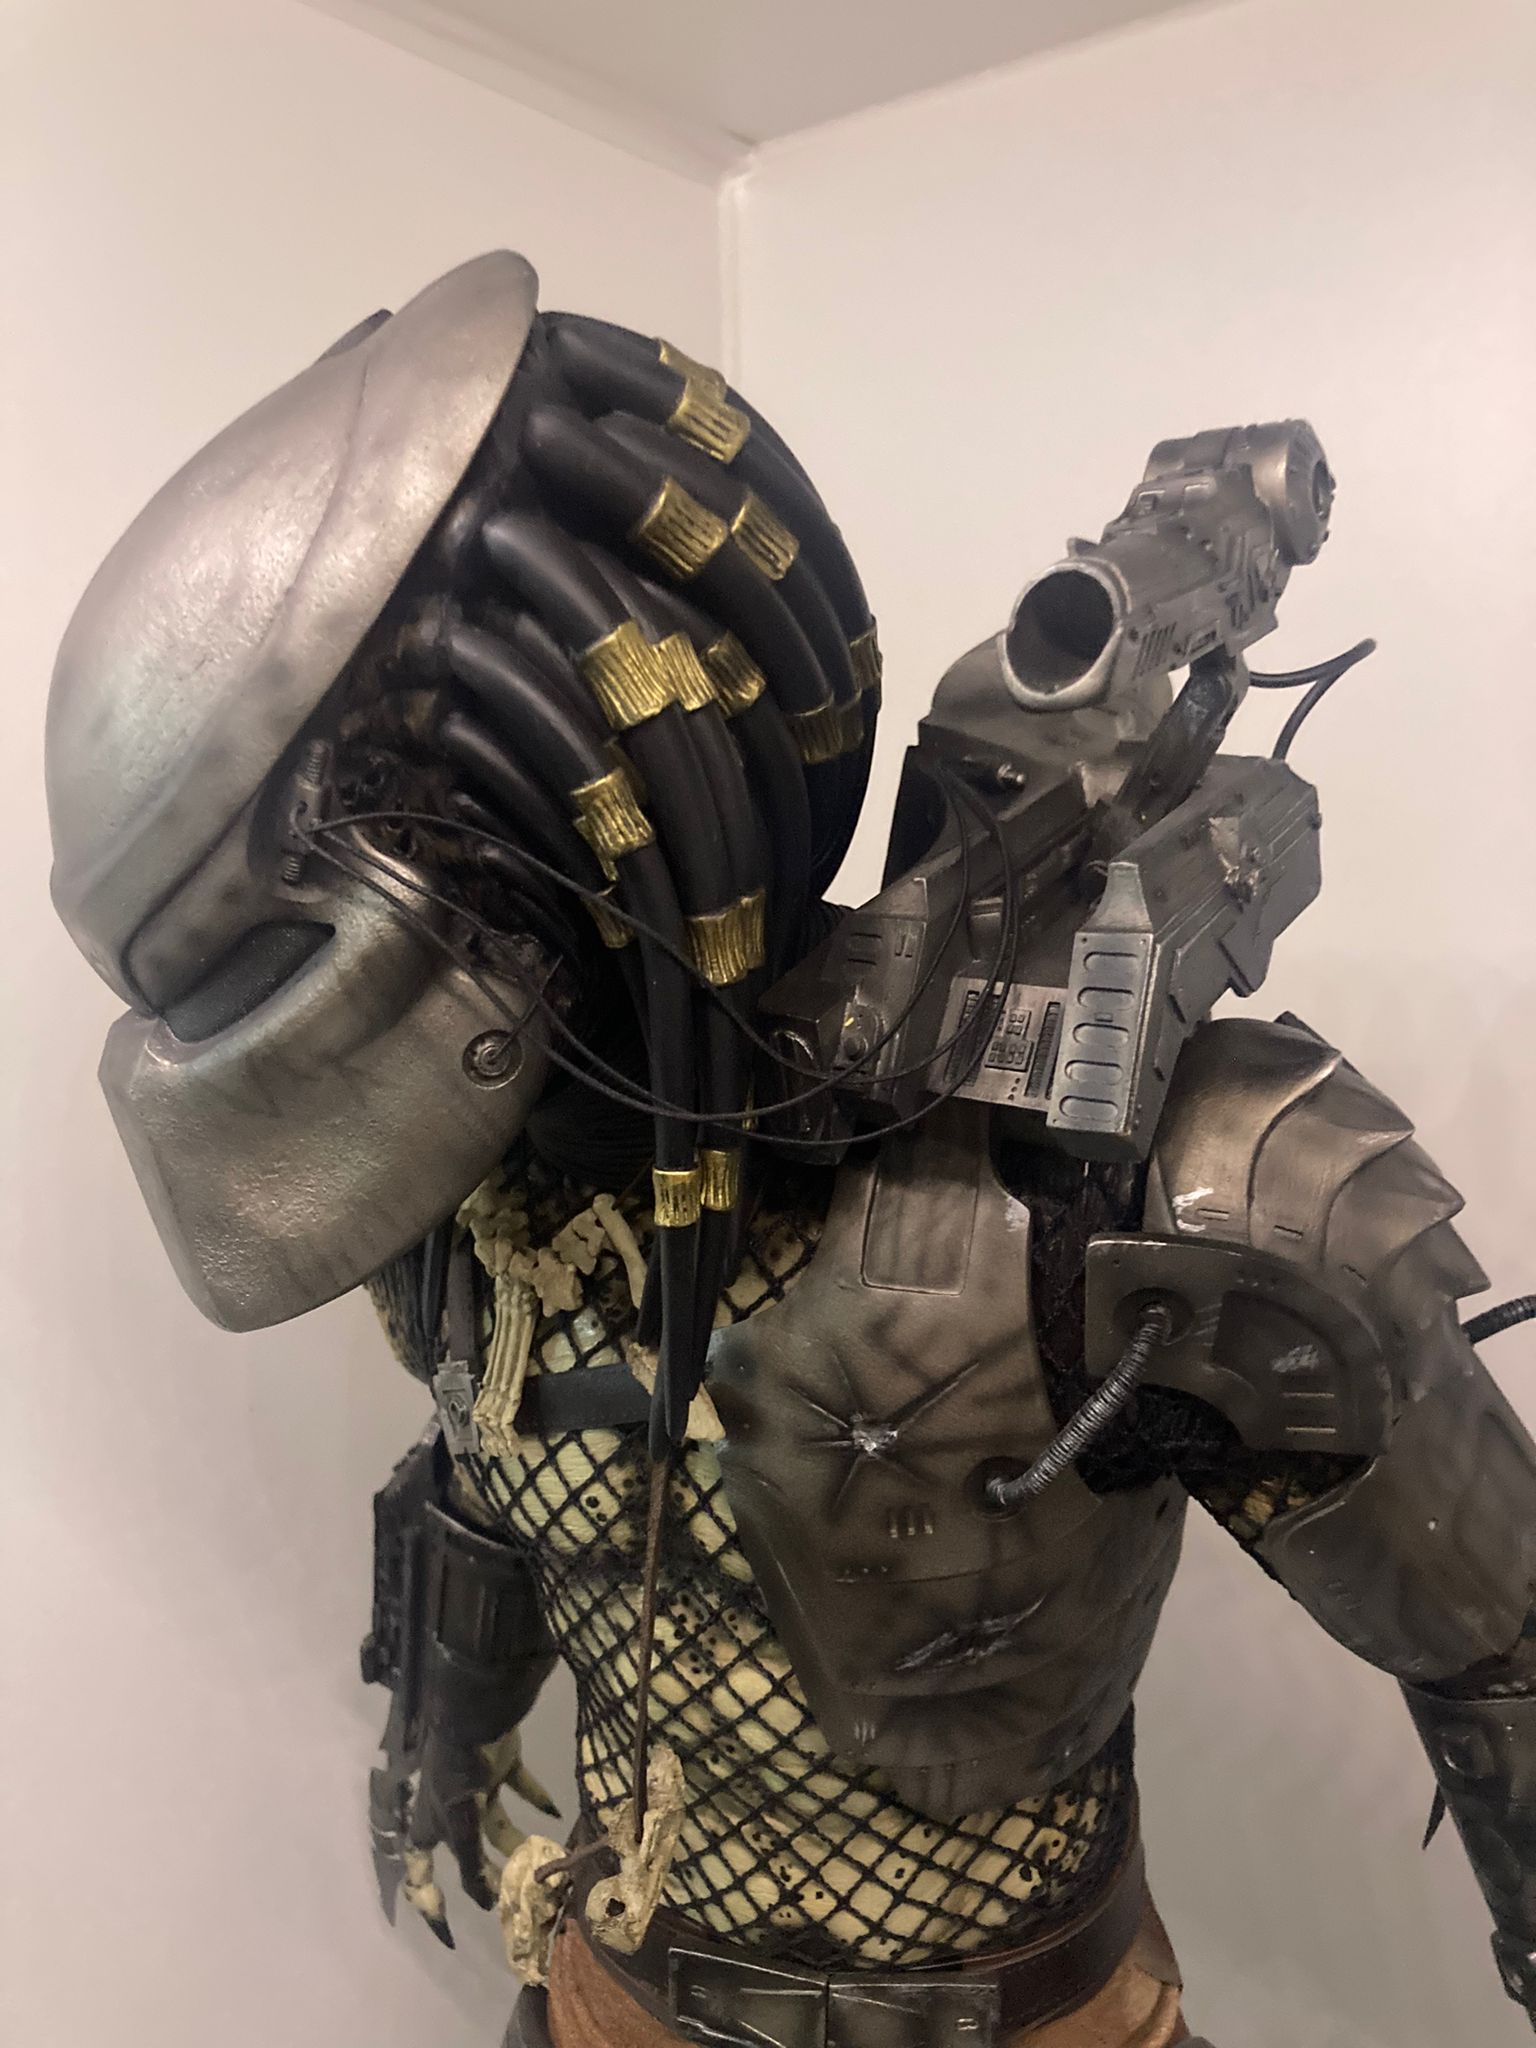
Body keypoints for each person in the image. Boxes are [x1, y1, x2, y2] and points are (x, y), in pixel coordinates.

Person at [45, 250, 1536, 2047]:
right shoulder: (476, 1200)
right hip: (613, 1992)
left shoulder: (1175, 1181)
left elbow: (1502, 1639)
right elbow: (490, 1464)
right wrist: (439, 1738)